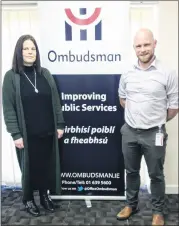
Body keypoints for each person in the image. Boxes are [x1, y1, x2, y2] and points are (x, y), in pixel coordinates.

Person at [117, 28, 178, 226]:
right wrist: (137, 115)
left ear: (154, 44)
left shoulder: (168, 73)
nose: (142, 49)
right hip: (130, 132)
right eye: (138, 46)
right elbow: (122, 98)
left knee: (156, 175)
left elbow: (173, 106)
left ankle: (158, 212)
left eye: (146, 45)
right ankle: (130, 204)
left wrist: (154, 119)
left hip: (155, 133)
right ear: (134, 48)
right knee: (131, 172)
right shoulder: (127, 73)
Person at [2, 34, 65, 217]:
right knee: (29, 169)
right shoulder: (11, 77)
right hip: (26, 135)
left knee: (45, 167)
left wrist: (59, 124)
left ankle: (45, 197)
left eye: (33, 49)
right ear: (19, 52)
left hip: (48, 132)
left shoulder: (45, 74)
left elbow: (56, 102)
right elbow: (9, 109)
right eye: (26, 49)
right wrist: (15, 134)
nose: (30, 52)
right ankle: (28, 199)